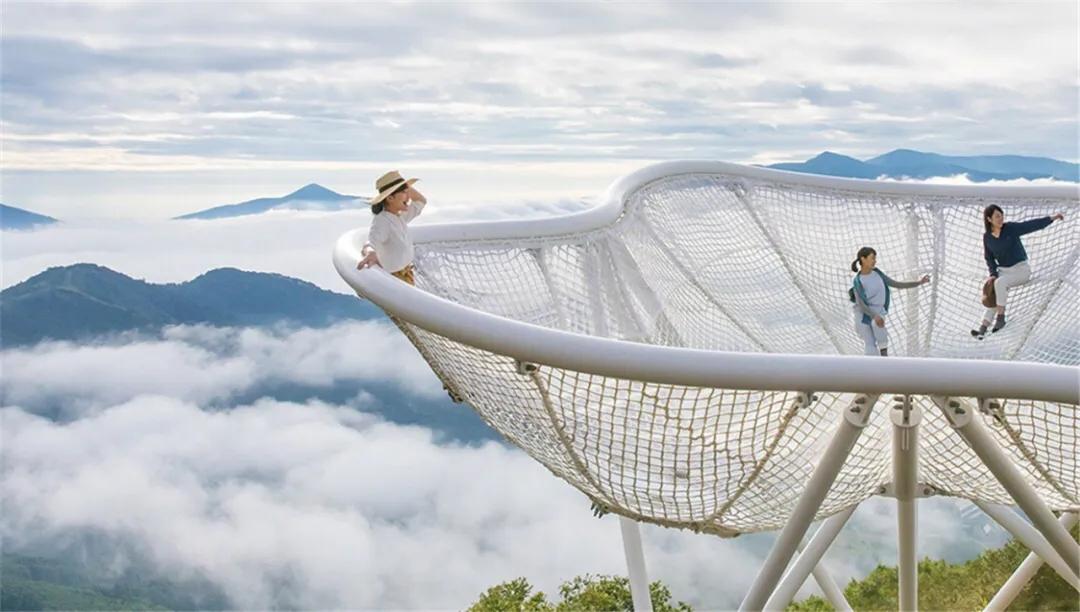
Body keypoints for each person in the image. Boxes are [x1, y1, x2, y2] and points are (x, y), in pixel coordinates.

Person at [970, 206, 1065, 339]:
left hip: (1021, 270)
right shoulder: (987, 237)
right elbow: (989, 258)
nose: (1001, 218)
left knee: (1000, 283)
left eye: (1001, 215)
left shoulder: (1010, 228)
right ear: (989, 219)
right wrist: (992, 273)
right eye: (997, 216)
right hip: (1003, 272)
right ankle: (983, 328)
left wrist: (1051, 218)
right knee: (994, 295)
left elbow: (1030, 225)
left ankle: (1001, 318)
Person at [850, 247, 930, 356]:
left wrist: (919, 283)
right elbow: (862, 305)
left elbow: (896, 284)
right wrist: (875, 316)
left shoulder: (878, 273)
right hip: (862, 315)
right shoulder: (858, 281)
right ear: (863, 259)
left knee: (877, 325)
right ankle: (870, 369)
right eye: (872, 258)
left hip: (878, 310)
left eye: (875, 258)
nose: (875, 261)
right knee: (870, 345)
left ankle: (884, 354)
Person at [357, 170, 426, 285]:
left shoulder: (399, 216)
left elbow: (421, 201)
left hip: (405, 275)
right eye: (404, 192)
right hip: (393, 280)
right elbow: (370, 243)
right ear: (390, 198)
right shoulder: (382, 221)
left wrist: (404, 186)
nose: (409, 196)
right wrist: (370, 253)